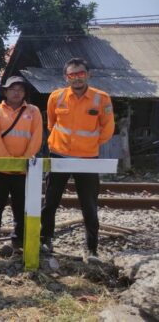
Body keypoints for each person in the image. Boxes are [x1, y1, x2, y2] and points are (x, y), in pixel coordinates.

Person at [41, 57, 115, 264]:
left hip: (87, 158)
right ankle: (46, 240)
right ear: (66, 77)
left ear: (88, 74)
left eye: (80, 73)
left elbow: (108, 128)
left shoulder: (101, 98)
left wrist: (90, 144)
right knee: (50, 201)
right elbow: (51, 123)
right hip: (59, 155)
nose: (77, 78)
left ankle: (91, 249)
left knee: (89, 205)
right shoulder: (56, 97)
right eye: (72, 75)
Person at [0, 76, 42, 256]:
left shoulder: (34, 111)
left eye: (20, 89)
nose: (16, 92)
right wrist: (8, 160)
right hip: (0, 169)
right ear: (5, 91)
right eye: (12, 89)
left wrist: (23, 161)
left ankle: (19, 242)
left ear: (25, 93)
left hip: (24, 170)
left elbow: (36, 137)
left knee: (21, 208)